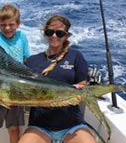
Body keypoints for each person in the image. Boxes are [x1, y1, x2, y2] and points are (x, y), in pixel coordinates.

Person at [18, 14, 96, 143]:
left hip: (72, 126)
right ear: (45, 33)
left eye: (59, 33)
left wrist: (79, 91)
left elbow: (83, 85)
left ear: (66, 36)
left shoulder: (76, 56)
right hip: (39, 127)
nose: (54, 36)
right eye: (50, 32)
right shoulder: (31, 61)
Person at [0, 4, 30, 143]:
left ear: (18, 24)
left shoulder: (22, 36)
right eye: (3, 25)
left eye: (11, 24)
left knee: (14, 128)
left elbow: (26, 59)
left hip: (17, 91)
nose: (7, 28)